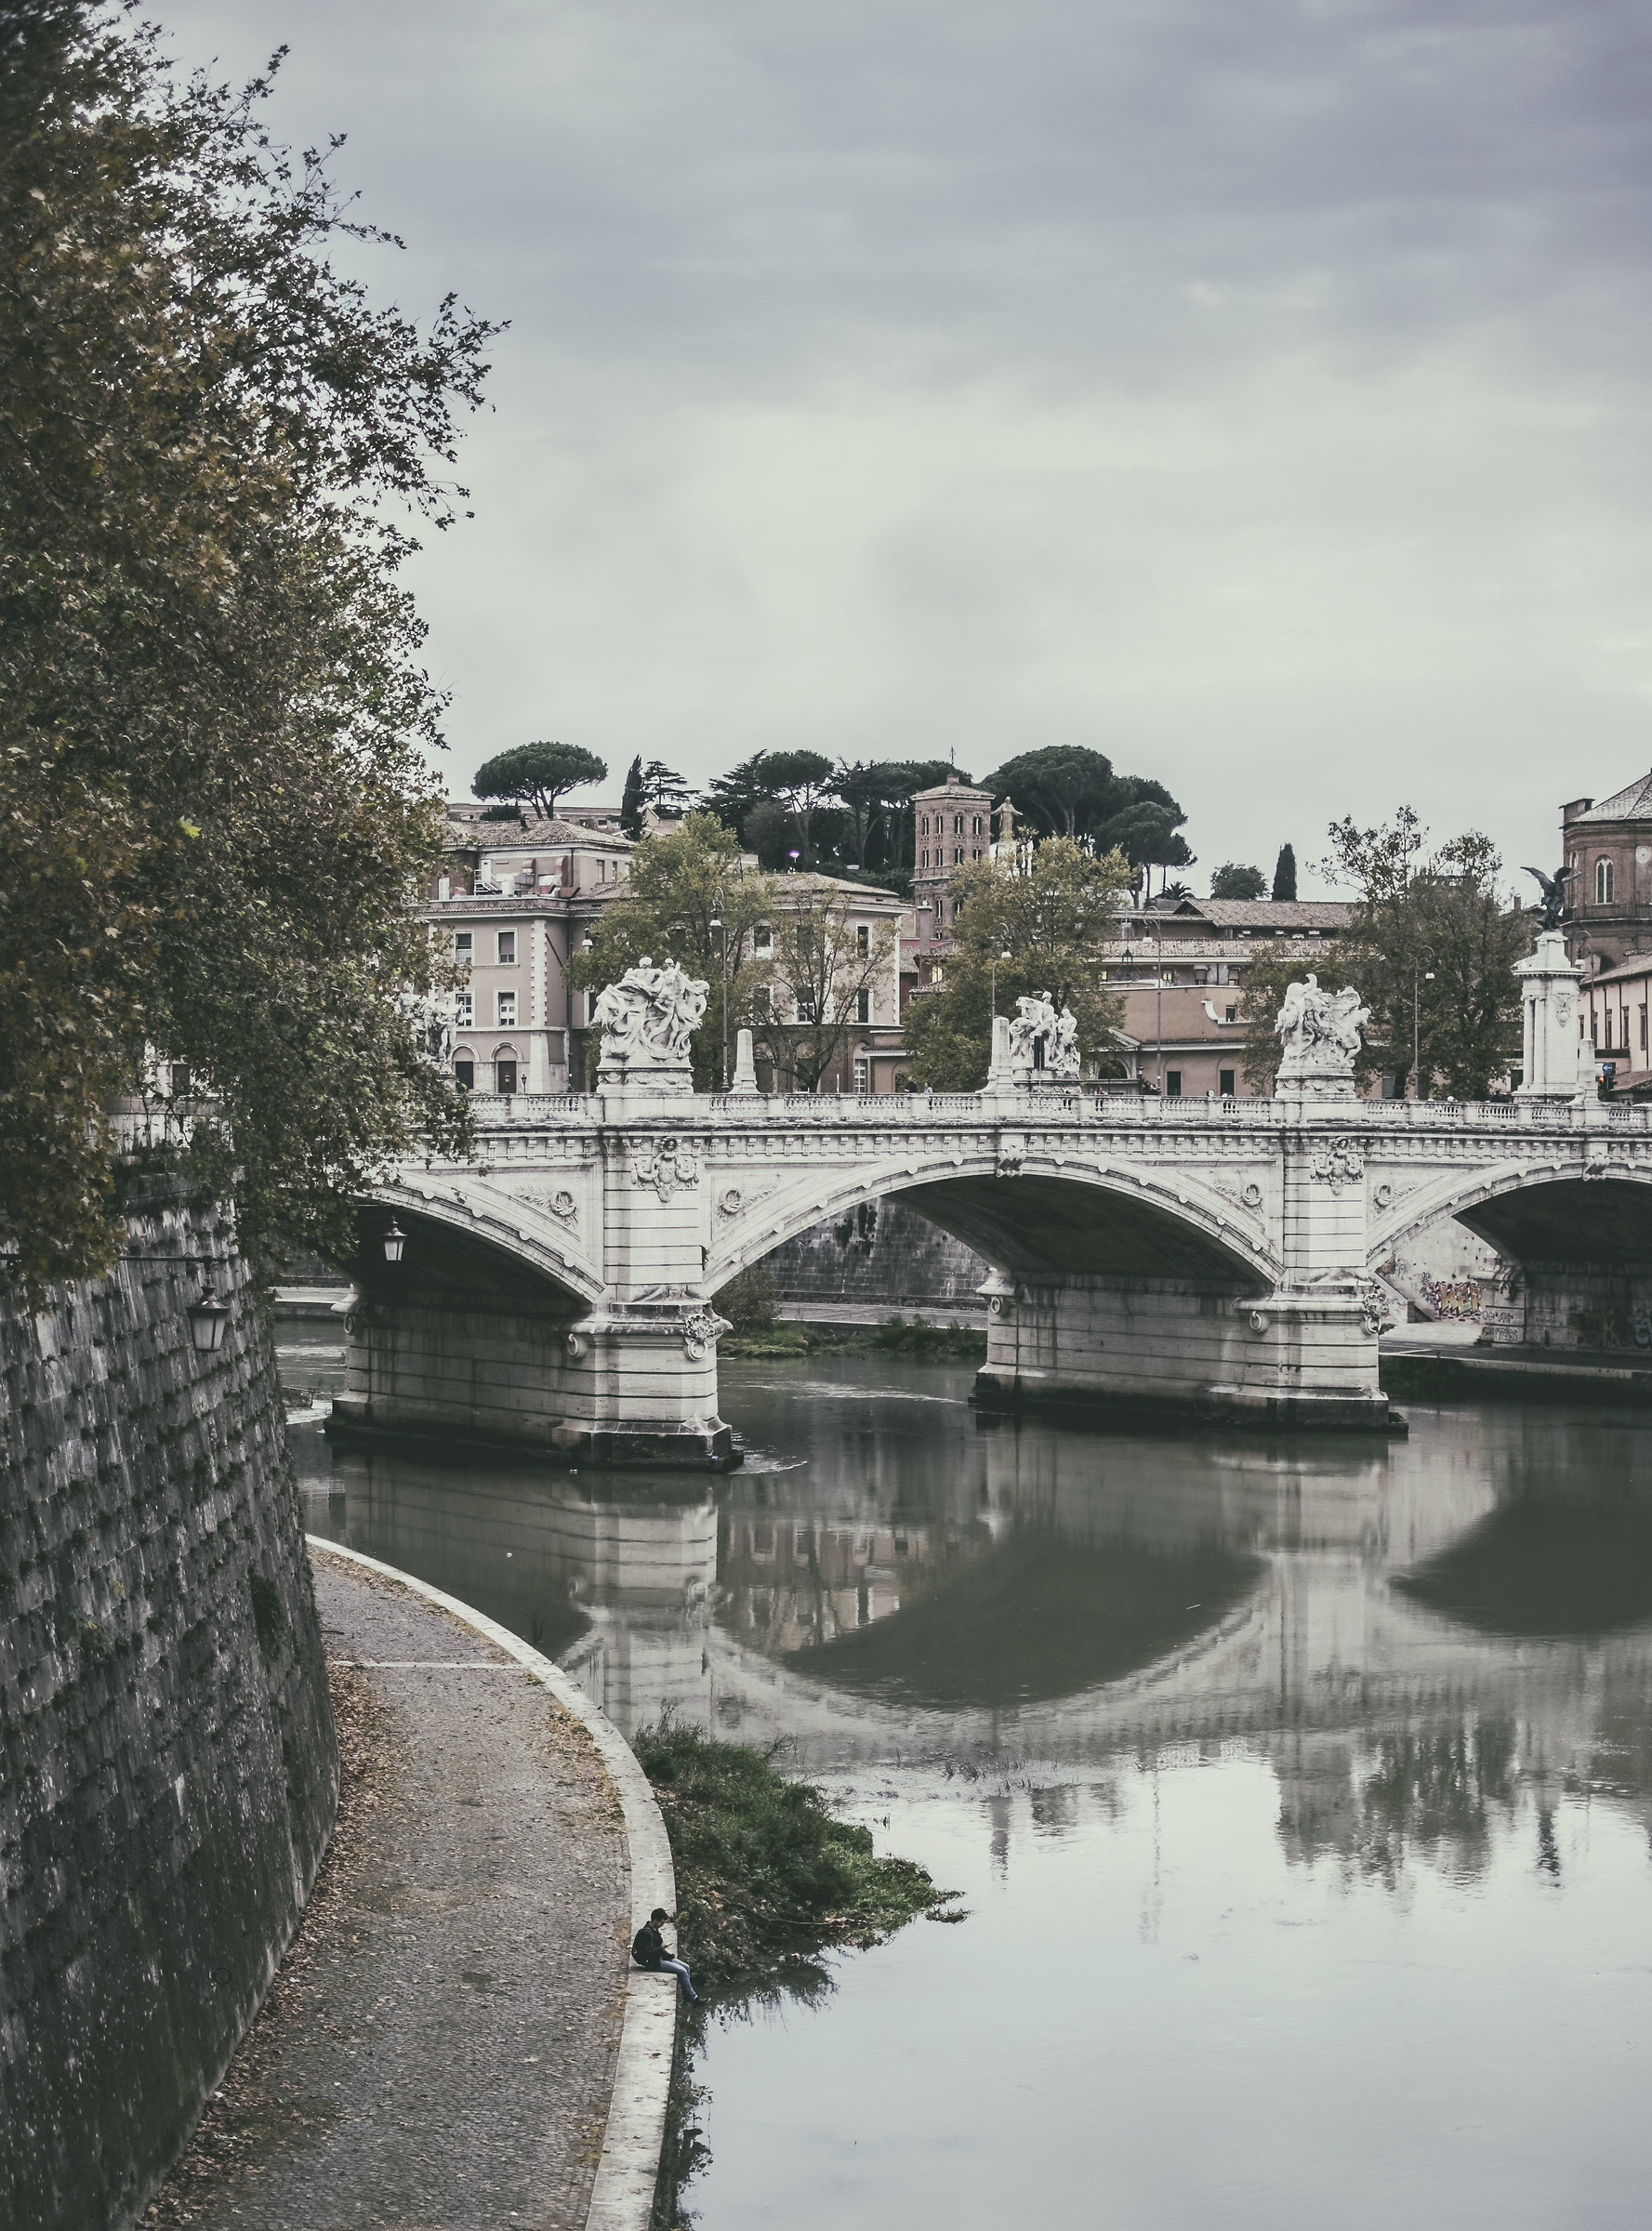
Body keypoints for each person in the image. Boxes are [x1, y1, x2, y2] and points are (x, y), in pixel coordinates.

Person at [631, 1907, 699, 2001]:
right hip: (653, 1962)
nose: (662, 1925)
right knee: (682, 1971)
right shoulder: (646, 1933)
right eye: (662, 1923)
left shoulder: (654, 1930)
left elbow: (657, 1948)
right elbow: (647, 1954)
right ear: (655, 1920)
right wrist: (661, 1948)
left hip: (660, 1957)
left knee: (686, 1967)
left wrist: (668, 1955)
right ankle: (693, 1998)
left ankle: (687, 1997)